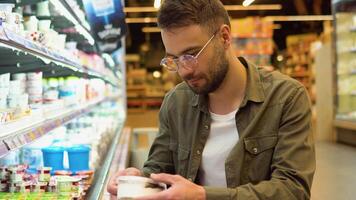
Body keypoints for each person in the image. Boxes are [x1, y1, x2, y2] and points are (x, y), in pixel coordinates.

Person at [108, 0, 315, 199]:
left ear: (224, 37)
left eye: (191, 54)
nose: (184, 70)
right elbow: (159, 169)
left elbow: (292, 190)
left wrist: (203, 196)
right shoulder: (176, 103)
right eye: (174, 59)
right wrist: (139, 180)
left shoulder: (286, 97)